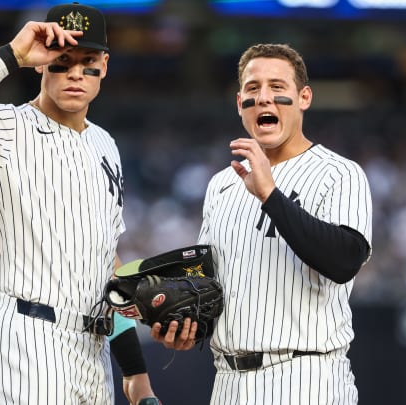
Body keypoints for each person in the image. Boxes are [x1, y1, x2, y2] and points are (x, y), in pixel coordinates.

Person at [0, 3, 161, 404]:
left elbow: (106, 266)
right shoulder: (7, 126)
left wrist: (135, 374)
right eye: (62, 60)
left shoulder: (105, 145)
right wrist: (11, 55)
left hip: (91, 352)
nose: (76, 72)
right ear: (42, 63)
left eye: (88, 61)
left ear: (105, 66)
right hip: (26, 339)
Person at [150, 43, 373, 404]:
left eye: (277, 87)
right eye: (253, 89)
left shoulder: (339, 173)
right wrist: (187, 326)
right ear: (240, 104)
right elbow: (210, 283)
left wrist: (270, 194)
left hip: (305, 378)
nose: (264, 98)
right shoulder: (222, 184)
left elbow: (344, 261)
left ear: (303, 98)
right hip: (228, 382)